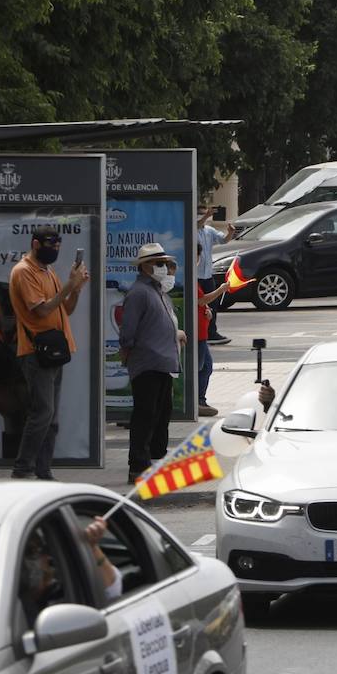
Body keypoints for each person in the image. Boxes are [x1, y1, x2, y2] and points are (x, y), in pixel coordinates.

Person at [9, 226, 90, 480]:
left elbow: (66, 309)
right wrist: (69, 285)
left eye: (57, 246)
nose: (54, 250)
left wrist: (75, 288)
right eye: (50, 246)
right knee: (42, 413)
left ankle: (43, 471)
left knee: (51, 416)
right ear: (35, 244)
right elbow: (41, 311)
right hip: (35, 351)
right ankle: (23, 469)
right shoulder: (23, 272)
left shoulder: (48, 271)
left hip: (54, 350)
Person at [120, 242, 185, 485]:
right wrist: (127, 350)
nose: (163, 267)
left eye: (165, 263)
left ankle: (152, 460)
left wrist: (175, 334)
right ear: (145, 266)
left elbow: (161, 323)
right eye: (158, 263)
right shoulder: (139, 292)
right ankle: (138, 466)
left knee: (160, 414)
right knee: (145, 415)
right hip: (147, 361)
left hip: (162, 361)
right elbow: (128, 330)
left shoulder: (158, 291)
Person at [195, 242, 239, 418]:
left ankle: (199, 400)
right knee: (203, 367)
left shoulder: (194, 278)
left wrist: (206, 311)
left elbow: (199, 302)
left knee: (205, 366)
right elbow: (199, 300)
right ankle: (197, 400)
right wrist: (220, 290)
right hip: (196, 333)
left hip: (201, 331)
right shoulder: (190, 278)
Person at [196, 205, 236, 345]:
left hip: (208, 275)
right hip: (196, 276)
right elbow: (196, 225)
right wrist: (207, 215)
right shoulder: (192, 229)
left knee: (212, 304)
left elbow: (224, 240)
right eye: (199, 214)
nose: (203, 216)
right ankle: (199, 332)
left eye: (204, 214)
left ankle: (211, 332)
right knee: (199, 305)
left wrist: (230, 232)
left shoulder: (209, 231)